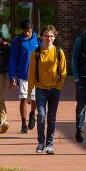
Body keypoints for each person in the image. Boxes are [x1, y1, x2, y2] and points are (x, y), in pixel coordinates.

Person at [27, 25, 67, 155]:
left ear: (54, 38)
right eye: (46, 36)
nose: (48, 38)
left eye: (51, 36)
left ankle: (49, 144)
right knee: (42, 116)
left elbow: (63, 72)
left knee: (51, 118)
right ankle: (40, 143)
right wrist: (29, 93)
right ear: (41, 37)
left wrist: (59, 86)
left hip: (55, 89)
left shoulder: (59, 52)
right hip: (40, 90)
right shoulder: (36, 53)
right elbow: (32, 73)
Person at [9, 19, 39, 133]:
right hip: (23, 75)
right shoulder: (18, 41)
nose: (27, 33)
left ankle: (32, 115)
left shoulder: (38, 40)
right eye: (25, 31)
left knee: (34, 100)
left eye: (29, 30)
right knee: (23, 99)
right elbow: (13, 59)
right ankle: (23, 124)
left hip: (36, 76)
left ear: (32, 28)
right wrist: (12, 75)